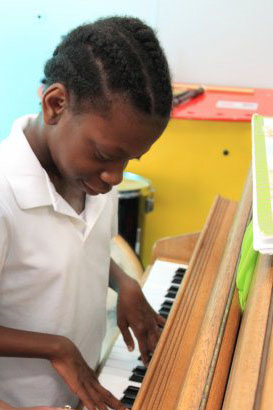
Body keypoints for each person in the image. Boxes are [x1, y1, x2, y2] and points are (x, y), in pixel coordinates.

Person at [0, 16, 172, 410]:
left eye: (130, 159)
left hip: (79, 392)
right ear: (56, 105)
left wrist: (122, 281)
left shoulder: (90, 178)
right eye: (106, 155)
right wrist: (55, 348)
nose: (116, 176)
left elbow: (77, 249)